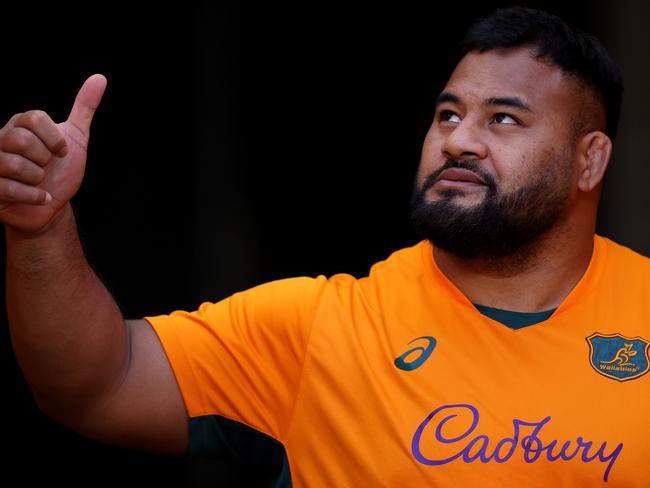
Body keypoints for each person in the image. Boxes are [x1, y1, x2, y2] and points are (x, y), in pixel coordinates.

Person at [2, 5, 647, 487]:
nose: (457, 141)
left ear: (589, 161)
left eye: (502, 119)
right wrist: (40, 227)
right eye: (448, 115)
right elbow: (93, 384)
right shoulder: (322, 330)